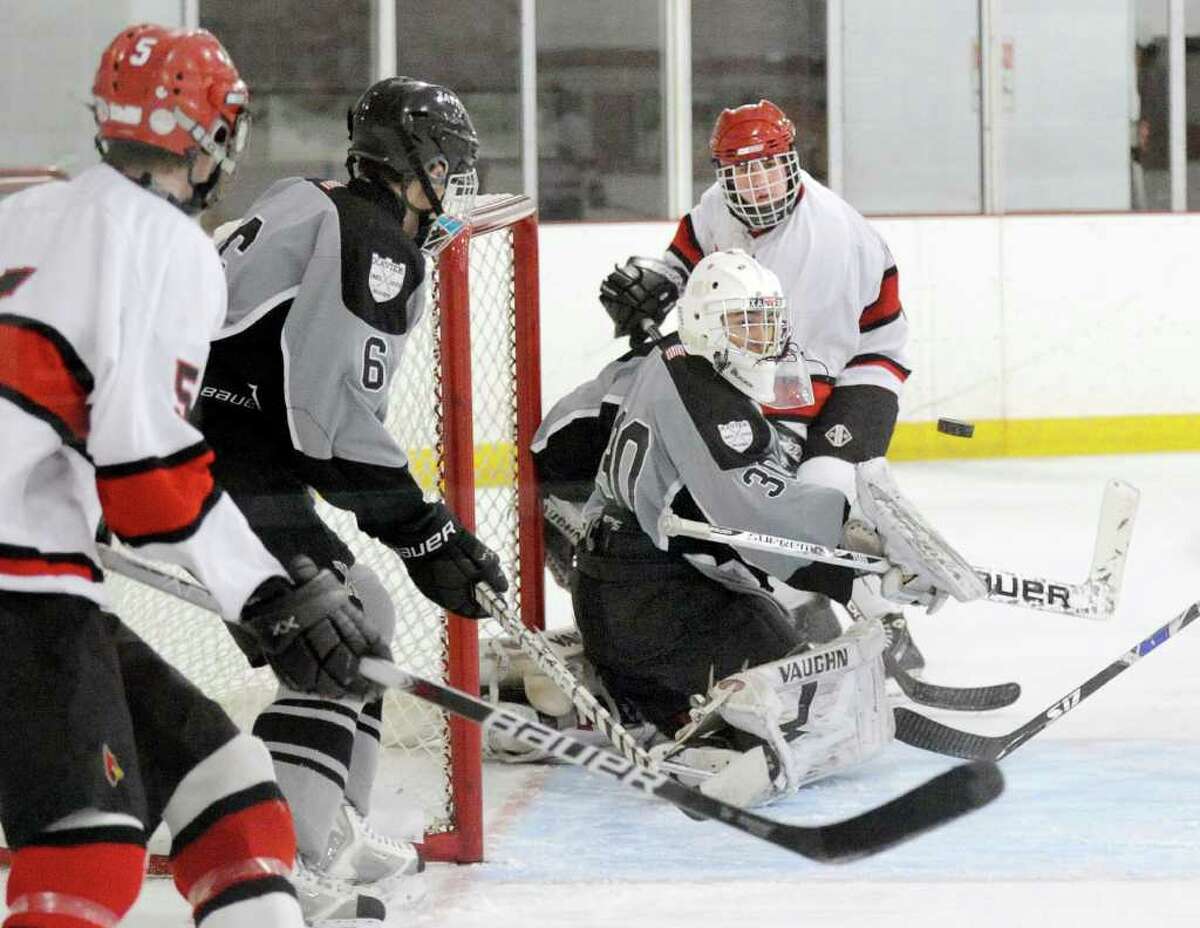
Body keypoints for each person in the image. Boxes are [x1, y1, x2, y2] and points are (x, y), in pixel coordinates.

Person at [0, 24, 390, 928]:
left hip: (38, 586)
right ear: (214, 136)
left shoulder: (25, 215)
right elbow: (145, 477)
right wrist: (269, 592)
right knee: (89, 854)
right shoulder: (170, 248)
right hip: (20, 592)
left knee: (234, 794)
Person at [193, 77, 508, 920]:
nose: (455, 187)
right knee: (331, 624)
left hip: (210, 448)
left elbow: (300, 409)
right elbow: (327, 424)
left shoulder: (312, 201)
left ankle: (328, 829)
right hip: (200, 463)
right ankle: (281, 861)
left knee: (358, 613)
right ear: (413, 165)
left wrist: (417, 533)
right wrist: (428, 533)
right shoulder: (375, 242)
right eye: (448, 167)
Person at [540, 97, 923, 673]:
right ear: (723, 174)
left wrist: (742, 438)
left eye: (769, 165)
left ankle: (882, 626)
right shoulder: (720, 208)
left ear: (791, 162)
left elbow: (798, 376)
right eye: (743, 169)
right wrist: (652, 281)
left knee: (816, 488)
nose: (758, 182)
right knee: (587, 424)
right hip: (751, 358)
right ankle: (774, 599)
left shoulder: (828, 242)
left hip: (856, 372)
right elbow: (683, 261)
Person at [570, 250, 957, 807]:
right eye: (744, 324)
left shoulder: (677, 358)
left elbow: (718, 518)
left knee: (785, 650)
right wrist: (861, 550)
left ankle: (645, 701)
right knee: (803, 689)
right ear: (705, 322)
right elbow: (753, 510)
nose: (761, 339)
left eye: (766, 322)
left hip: (629, 586)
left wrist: (852, 567)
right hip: (648, 602)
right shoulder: (704, 395)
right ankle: (705, 742)